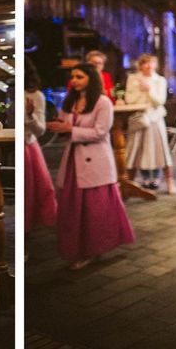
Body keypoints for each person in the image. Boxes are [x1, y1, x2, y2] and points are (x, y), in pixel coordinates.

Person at [47, 63, 136, 271]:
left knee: (94, 210)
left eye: (79, 77)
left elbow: (101, 132)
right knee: (72, 209)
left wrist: (70, 129)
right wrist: (58, 126)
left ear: (90, 78)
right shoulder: (71, 101)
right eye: (73, 77)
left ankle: (92, 249)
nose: (75, 81)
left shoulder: (103, 102)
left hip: (95, 161)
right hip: (74, 161)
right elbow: (66, 124)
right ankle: (77, 248)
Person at [124, 53, 175, 193]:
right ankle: (129, 183)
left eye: (151, 63)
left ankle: (170, 182)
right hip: (138, 117)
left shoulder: (160, 80)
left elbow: (160, 101)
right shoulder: (133, 79)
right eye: (146, 63)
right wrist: (141, 91)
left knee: (161, 151)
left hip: (155, 118)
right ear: (140, 65)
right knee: (134, 151)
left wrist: (149, 90)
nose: (149, 66)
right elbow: (129, 99)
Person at [25, 60, 57, 232]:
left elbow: (41, 130)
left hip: (27, 147)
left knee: (30, 196)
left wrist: (30, 116)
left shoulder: (36, 95)